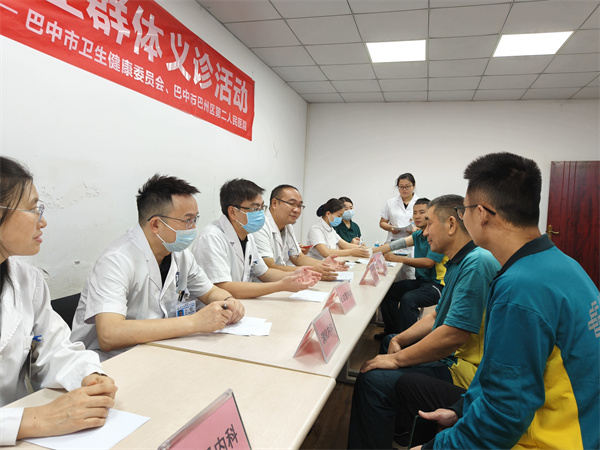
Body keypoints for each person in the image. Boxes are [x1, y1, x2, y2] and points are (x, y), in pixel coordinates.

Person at [414, 153, 599, 450]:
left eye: (464, 210)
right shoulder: (565, 266)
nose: (462, 218)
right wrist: (461, 409)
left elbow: (504, 416)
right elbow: (505, 378)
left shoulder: (520, 288)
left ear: (482, 213)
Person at [347, 194, 500, 449]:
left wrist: (397, 359)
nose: (424, 231)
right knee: (389, 341)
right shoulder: (460, 262)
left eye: (428, 223)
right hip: (454, 359)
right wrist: (398, 339)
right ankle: (402, 429)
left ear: (451, 224)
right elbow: (436, 316)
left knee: (372, 380)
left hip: (465, 371)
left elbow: (453, 335)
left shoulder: (477, 263)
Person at [0, 157, 117, 446]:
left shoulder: (27, 280)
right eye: (32, 209)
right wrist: (32, 421)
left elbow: (55, 348)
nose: (43, 221)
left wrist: (88, 375)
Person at [71, 174, 244, 361]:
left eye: (195, 219)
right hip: (108, 362)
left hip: (156, 352)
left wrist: (228, 302)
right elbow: (109, 335)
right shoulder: (116, 260)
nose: (194, 227)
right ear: (155, 224)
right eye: (188, 220)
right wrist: (194, 322)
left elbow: (210, 292)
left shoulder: (180, 254)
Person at [192, 179, 321, 299]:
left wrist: (296, 275)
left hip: (240, 303)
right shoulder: (211, 237)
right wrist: (280, 286)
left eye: (261, 208)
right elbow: (222, 287)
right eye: (255, 208)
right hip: (215, 307)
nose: (260, 213)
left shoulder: (247, 235)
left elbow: (264, 273)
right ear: (233, 212)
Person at [374, 198, 447, 339]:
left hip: (438, 285)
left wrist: (399, 259)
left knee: (409, 299)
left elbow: (429, 263)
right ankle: (391, 334)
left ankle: (406, 341)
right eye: (414, 213)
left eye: (422, 212)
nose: (417, 216)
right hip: (422, 282)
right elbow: (393, 245)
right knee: (388, 292)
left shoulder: (437, 235)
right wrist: (369, 251)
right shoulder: (418, 234)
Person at [253, 184, 347, 281]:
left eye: (299, 206)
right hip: (265, 284)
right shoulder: (261, 227)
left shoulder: (288, 226)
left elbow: (298, 257)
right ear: (274, 203)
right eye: (291, 204)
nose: (297, 210)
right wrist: (313, 270)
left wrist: (324, 266)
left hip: (283, 282)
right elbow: (269, 268)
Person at [380, 173, 418, 280]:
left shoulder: (420, 203)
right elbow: (382, 222)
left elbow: (427, 225)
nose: (404, 189)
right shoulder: (391, 202)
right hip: (393, 242)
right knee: (392, 276)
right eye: (401, 187)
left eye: (407, 186)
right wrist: (391, 228)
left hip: (412, 244)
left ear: (414, 186)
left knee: (410, 275)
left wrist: (415, 229)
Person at [307, 198, 371, 260]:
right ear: (328, 214)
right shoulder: (316, 229)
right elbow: (325, 252)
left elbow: (346, 245)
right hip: (317, 263)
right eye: (339, 216)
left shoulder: (331, 229)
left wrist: (364, 248)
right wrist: (351, 252)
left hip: (330, 262)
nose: (340, 219)